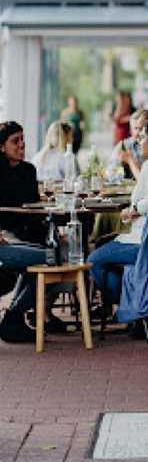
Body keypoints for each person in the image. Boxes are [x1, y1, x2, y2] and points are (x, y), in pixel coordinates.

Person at [88, 120, 148, 312]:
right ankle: (137, 308)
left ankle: (132, 309)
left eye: (142, 138)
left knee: (94, 259)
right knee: (104, 245)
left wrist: (135, 208)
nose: (138, 142)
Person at [0, 121, 50, 343]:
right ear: (1, 147)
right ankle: (14, 318)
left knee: (61, 254)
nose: (22, 144)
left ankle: (14, 317)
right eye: (15, 141)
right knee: (52, 260)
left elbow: (34, 209)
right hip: (4, 240)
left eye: (23, 139)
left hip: (25, 236)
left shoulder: (29, 170)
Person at [111, 109, 148, 179]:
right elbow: (112, 174)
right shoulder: (123, 146)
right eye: (135, 129)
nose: (137, 133)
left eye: (141, 129)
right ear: (130, 130)